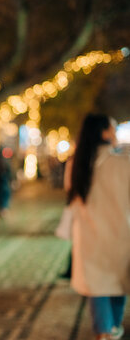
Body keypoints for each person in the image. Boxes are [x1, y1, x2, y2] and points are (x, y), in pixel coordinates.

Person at [66, 113, 130, 340]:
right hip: (120, 235)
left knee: (98, 287)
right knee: (118, 285)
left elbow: (72, 201)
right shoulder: (123, 163)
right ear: (103, 132)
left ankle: (104, 332)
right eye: (112, 128)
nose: (115, 133)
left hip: (89, 237)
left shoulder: (76, 165)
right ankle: (113, 329)